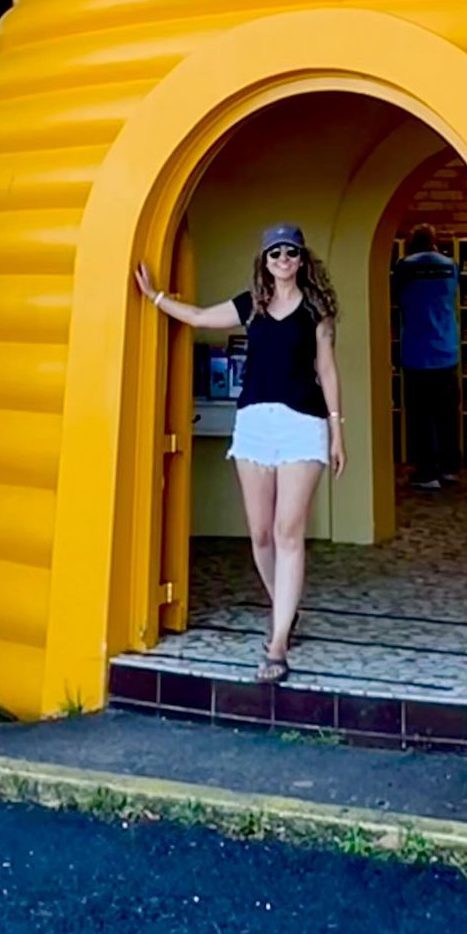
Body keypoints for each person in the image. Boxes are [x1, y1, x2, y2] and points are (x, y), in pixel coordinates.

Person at [135, 223, 345, 685]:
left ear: (302, 260)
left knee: (288, 531)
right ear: (264, 261)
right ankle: (285, 608)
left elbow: (328, 371)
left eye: (291, 252)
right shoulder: (252, 304)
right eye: (275, 253)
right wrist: (155, 298)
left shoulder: (317, 310)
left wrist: (337, 431)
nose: (283, 260)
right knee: (261, 534)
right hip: (254, 424)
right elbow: (198, 317)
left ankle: (278, 642)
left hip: (302, 424)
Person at [392, 225, 460, 490]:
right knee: (447, 414)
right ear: (434, 242)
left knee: (420, 417)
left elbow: (396, 295)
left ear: (411, 243)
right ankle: (450, 468)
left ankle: (427, 473)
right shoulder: (450, 266)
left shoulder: (405, 267)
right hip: (446, 350)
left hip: (417, 353)